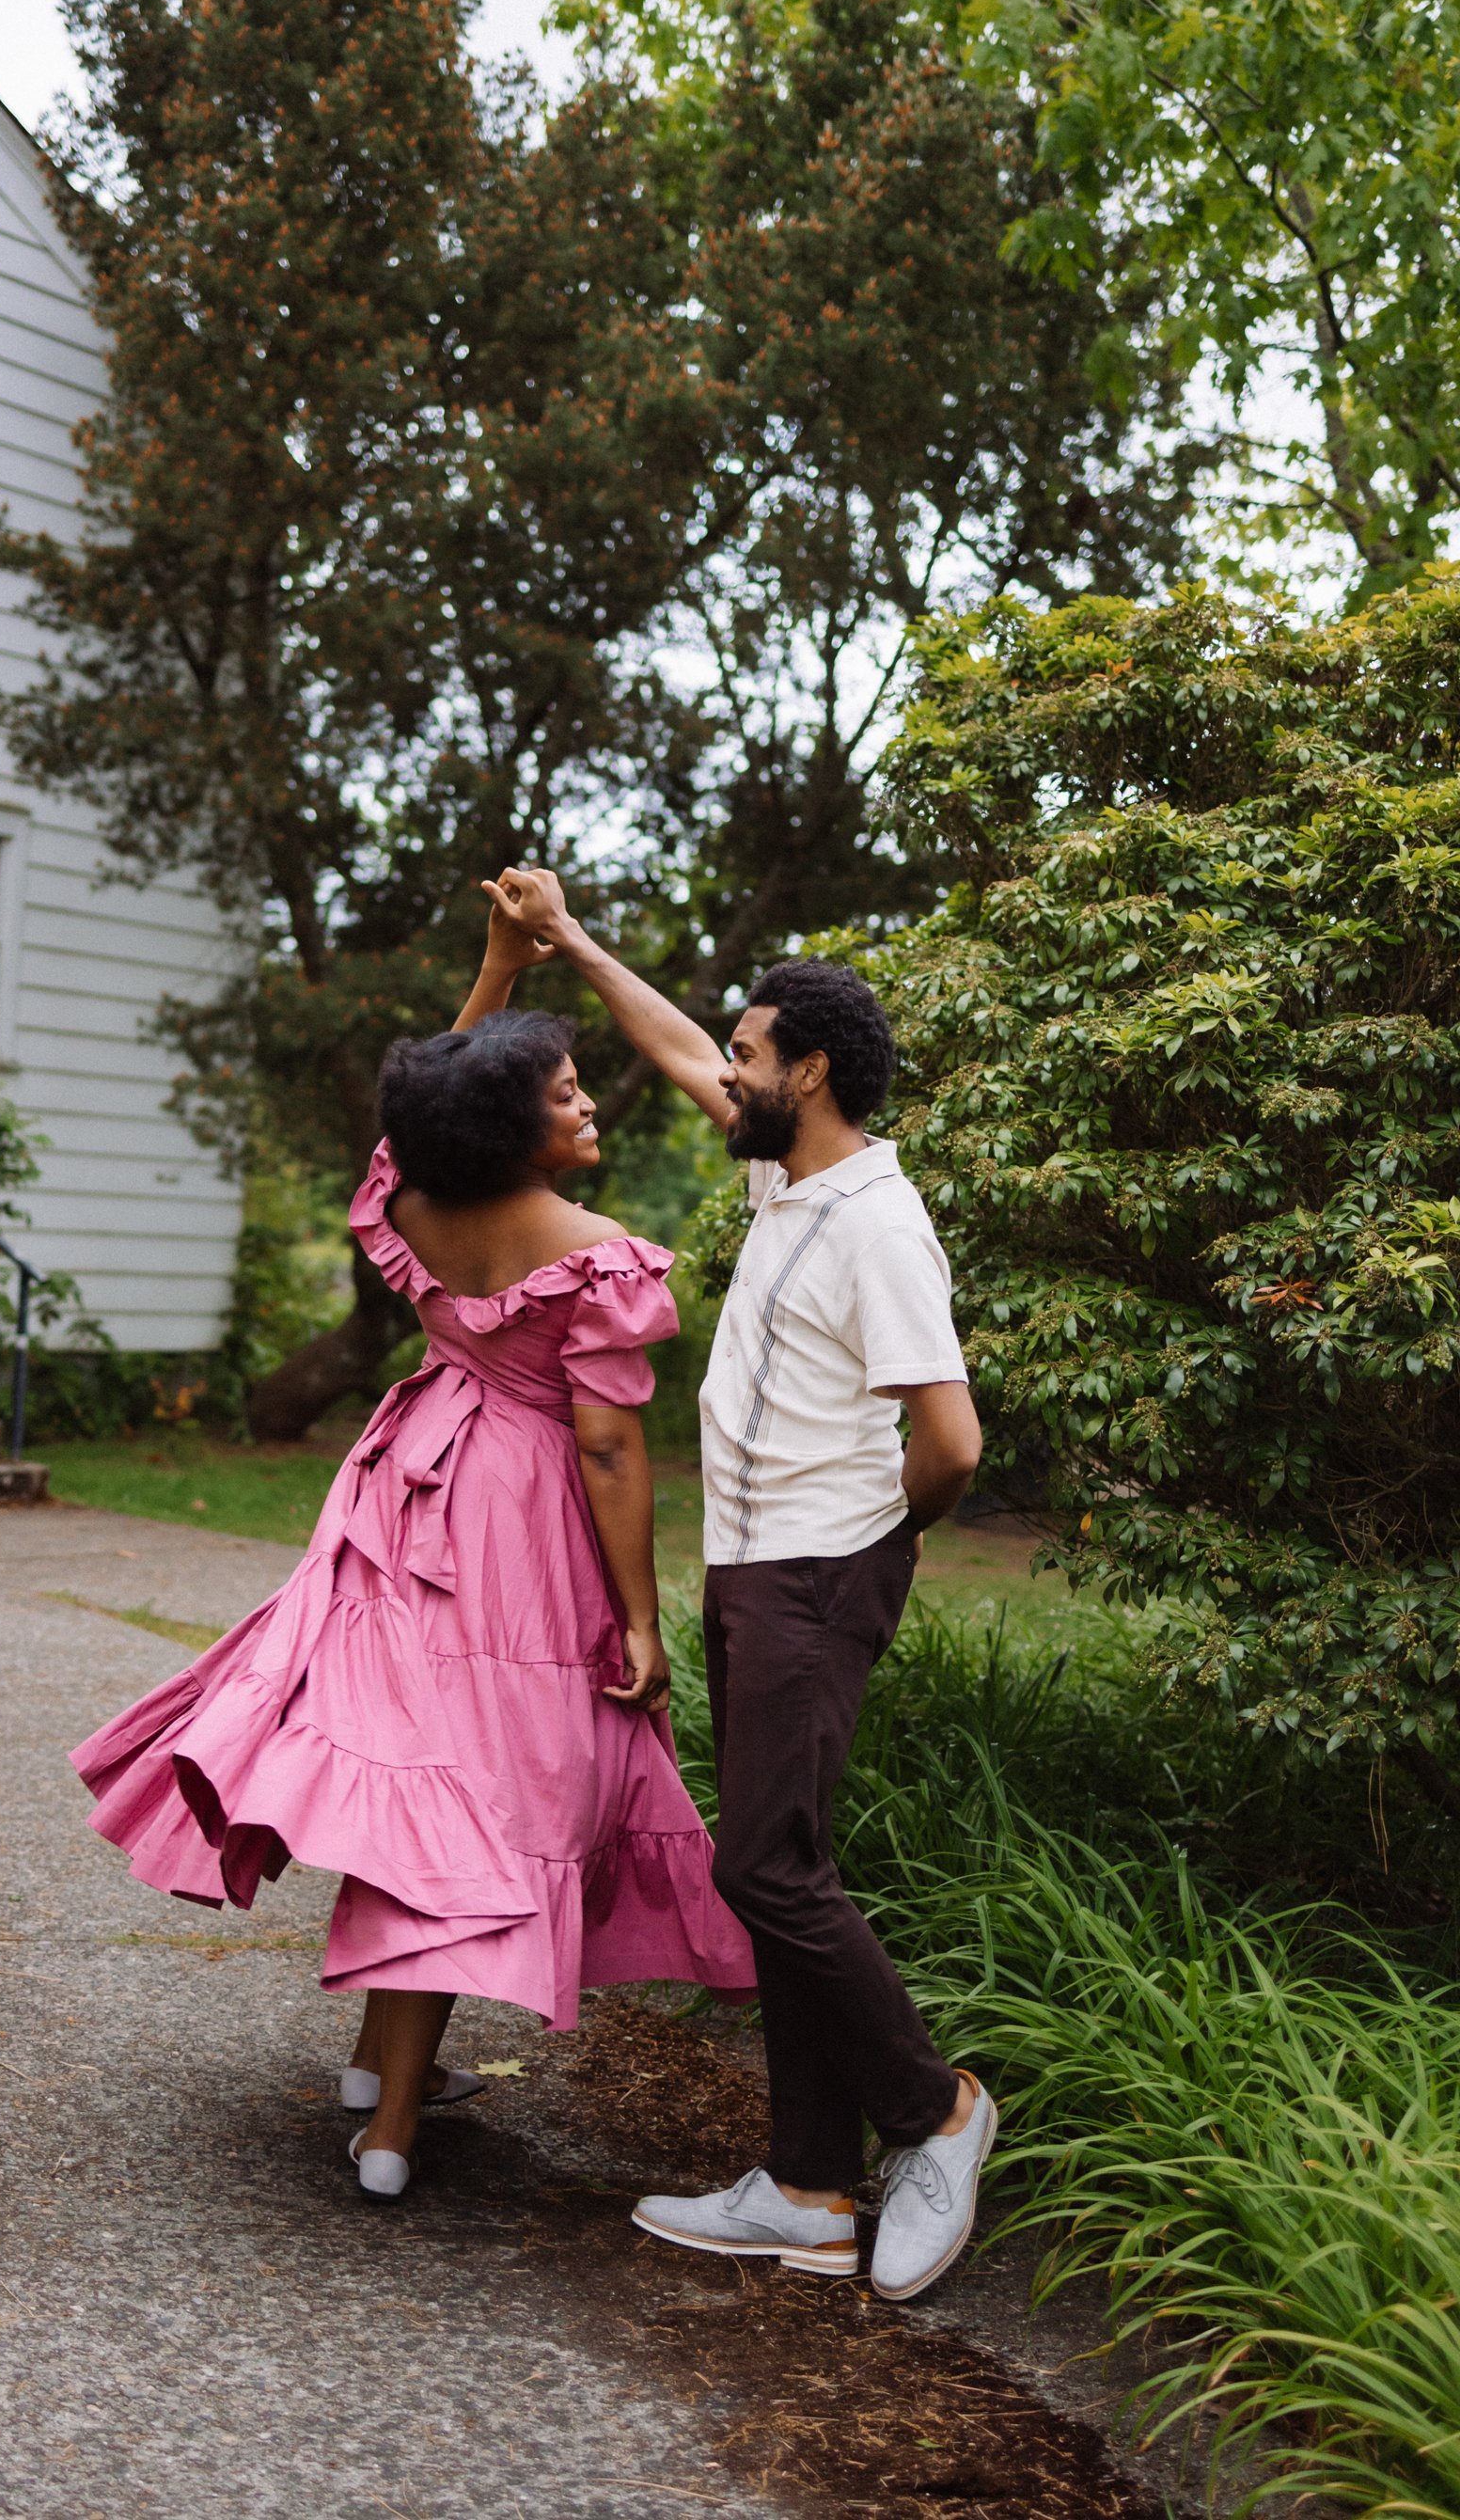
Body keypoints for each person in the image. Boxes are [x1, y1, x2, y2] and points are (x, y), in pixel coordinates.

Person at [70, 890, 755, 2200]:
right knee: (478, 1804)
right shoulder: (600, 1257)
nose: (589, 1105)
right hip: (518, 1518)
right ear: (512, 1126)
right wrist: (645, 1618)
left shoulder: (418, 1209)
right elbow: (610, 1453)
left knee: (419, 1778)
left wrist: (497, 968)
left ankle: (379, 2075)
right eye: (565, 1093)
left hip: (409, 1489)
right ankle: (388, 2128)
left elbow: (418, 1121)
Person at [480, 868, 991, 2303]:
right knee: (784, 1872)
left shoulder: (881, 1226)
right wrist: (569, 941)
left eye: (755, 1052)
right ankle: (814, 2190)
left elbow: (949, 1439)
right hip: (761, 1573)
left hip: (820, 1573)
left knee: (766, 1868)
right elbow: (672, 1046)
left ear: (812, 1073)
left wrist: (876, 1539)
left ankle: (934, 2114)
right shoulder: (789, 1174)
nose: (732, 1067)